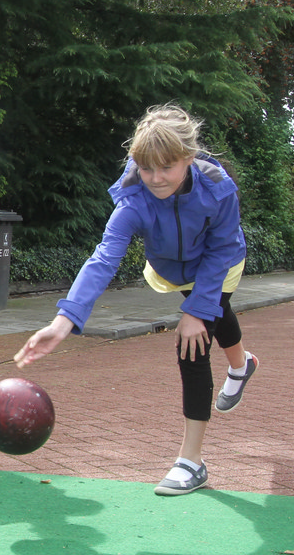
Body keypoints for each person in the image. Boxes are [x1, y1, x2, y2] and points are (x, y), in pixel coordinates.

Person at [14, 105, 258, 496]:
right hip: (173, 270)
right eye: (146, 168)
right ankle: (242, 364)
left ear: (189, 158)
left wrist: (195, 311)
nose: (156, 179)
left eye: (166, 168)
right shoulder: (133, 198)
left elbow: (221, 248)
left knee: (195, 338)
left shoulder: (218, 188)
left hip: (221, 261)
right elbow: (103, 259)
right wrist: (62, 323)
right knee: (215, 313)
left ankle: (191, 462)